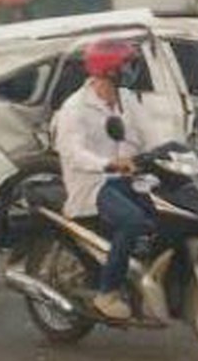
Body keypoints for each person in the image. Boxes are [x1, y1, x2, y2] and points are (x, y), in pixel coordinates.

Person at [51, 38, 155, 321]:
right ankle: (106, 293)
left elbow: (149, 134)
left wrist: (175, 152)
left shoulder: (128, 99)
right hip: (94, 184)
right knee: (132, 220)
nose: (132, 69)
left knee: (168, 212)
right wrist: (109, 164)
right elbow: (73, 154)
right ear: (109, 69)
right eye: (127, 64)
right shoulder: (75, 108)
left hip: (126, 178)